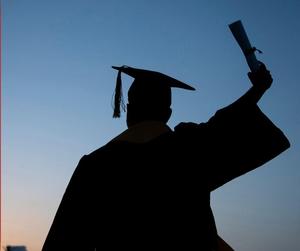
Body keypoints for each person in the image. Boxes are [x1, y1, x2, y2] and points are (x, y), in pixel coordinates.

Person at [42, 64, 290, 250]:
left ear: (129, 109)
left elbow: (64, 241)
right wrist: (258, 89)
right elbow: (229, 121)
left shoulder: (95, 166)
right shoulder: (190, 147)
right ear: (168, 112)